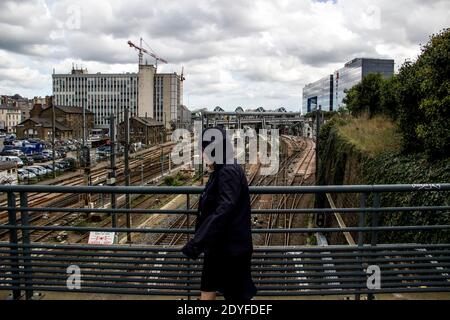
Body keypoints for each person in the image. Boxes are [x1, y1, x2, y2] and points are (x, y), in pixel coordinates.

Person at [182, 127, 257, 301]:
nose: (202, 156)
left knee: (237, 297)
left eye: (204, 151)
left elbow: (224, 209)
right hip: (218, 247)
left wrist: (196, 243)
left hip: (231, 250)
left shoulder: (227, 171)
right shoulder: (221, 170)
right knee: (208, 287)